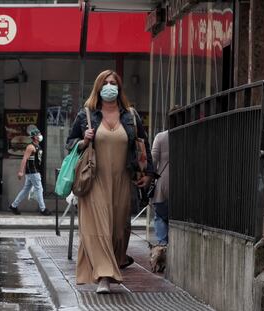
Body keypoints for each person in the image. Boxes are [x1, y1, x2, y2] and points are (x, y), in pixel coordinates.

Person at [66, 69, 154, 294]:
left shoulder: (131, 116)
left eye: (113, 82)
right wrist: (82, 141)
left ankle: (113, 265)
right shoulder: (87, 114)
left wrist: (148, 174)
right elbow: (70, 144)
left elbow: (143, 146)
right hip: (94, 180)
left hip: (122, 181)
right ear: (98, 87)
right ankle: (104, 276)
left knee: (117, 230)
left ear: (119, 87)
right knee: (99, 228)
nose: (109, 86)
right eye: (105, 83)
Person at [9, 128, 52, 216]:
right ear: (35, 137)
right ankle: (43, 209)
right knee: (39, 189)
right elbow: (24, 159)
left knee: (25, 190)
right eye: (38, 134)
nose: (40, 135)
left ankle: (13, 206)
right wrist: (21, 171)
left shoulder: (37, 146)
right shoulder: (30, 147)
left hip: (34, 172)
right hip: (33, 172)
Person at [151, 130, 169, 245]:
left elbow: (153, 161)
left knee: (160, 216)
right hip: (185, 187)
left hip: (163, 185)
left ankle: (163, 246)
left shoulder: (161, 137)